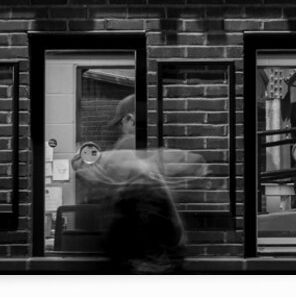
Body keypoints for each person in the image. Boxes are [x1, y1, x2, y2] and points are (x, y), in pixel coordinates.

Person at [76, 94, 205, 274]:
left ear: (130, 120)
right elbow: (198, 162)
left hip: (140, 261)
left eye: (120, 123)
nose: (121, 129)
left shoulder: (127, 145)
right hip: (162, 259)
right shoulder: (154, 158)